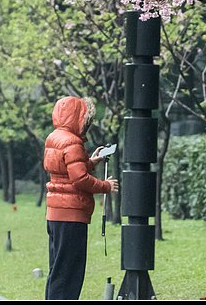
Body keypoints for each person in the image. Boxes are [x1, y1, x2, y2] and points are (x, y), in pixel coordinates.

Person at [43, 96, 119, 300]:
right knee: (70, 274)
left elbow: (66, 171)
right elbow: (80, 180)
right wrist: (105, 186)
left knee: (57, 272)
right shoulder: (72, 142)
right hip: (71, 215)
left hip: (55, 213)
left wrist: (92, 160)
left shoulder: (54, 138)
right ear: (77, 116)